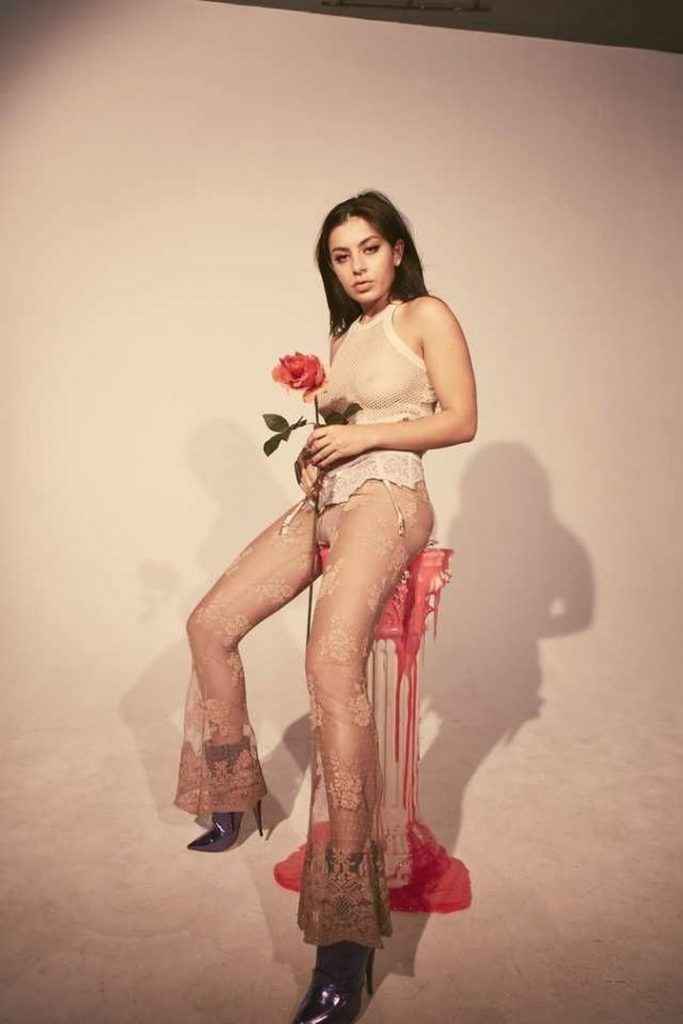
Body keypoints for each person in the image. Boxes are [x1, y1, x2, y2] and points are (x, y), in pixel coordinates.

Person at [173, 189, 477, 1024]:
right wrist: (314, 457)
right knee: (209, 624)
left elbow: (460, 420)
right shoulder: (344, 336)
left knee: (329, 664)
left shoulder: (424, 315)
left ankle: (345, 939)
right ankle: (233, 793)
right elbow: (345, 426)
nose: (356, 267)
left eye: (368, 249)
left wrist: (365, 437)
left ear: (396, 249)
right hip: (331, 501)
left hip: (390, 500)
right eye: (340, 257)